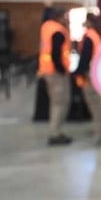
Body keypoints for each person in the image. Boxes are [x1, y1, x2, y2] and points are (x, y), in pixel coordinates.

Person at [38, 8, 72, 146]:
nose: (67, 19)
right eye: (65, 16)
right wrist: (62, 70)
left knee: (56, 102)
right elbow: (56, 54)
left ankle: (56, 131)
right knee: (60, 103)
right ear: (59, 17)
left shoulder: (47, 26)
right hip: (56, 73)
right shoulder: (58, 31)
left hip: (48, 71)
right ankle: (55, 134)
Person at [74, 13, 101, 144]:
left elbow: (85, 58)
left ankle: (100, 134)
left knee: (95, 106)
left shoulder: (90, 36)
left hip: (91, 75)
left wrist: (79, 73)